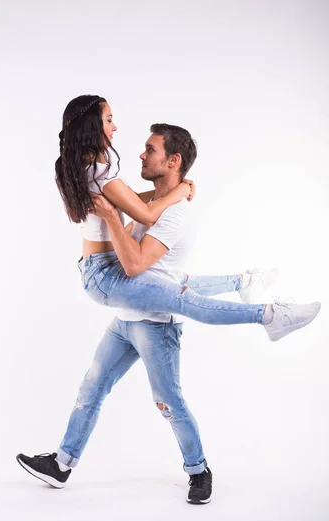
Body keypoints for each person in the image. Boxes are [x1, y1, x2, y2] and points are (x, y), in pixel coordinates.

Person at [16, 117, 318, 503]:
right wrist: (127, 206)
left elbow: (135, 265)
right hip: (126, 318)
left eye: (151, 149)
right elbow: (142, 212)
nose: (141, 153)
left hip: (156, 325)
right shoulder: (159, 203)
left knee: (169, 401)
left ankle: (199, 469)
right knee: (91, 388)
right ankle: (62, 463)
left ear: (173, 160)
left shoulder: (176, 214)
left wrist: (111, 217)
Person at [55, 94, 320, 341]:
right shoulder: (102, 177)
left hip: (100, 268)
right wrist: (179, 191)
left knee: (179, 281)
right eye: (109, 120)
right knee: (183, 298)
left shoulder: (90, 169)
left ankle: (247, 282)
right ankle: (270, 315)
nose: (115, 127)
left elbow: (132, 198)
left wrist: (170, 193)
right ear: (92, 126)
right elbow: (145, 215)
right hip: (105, 274)